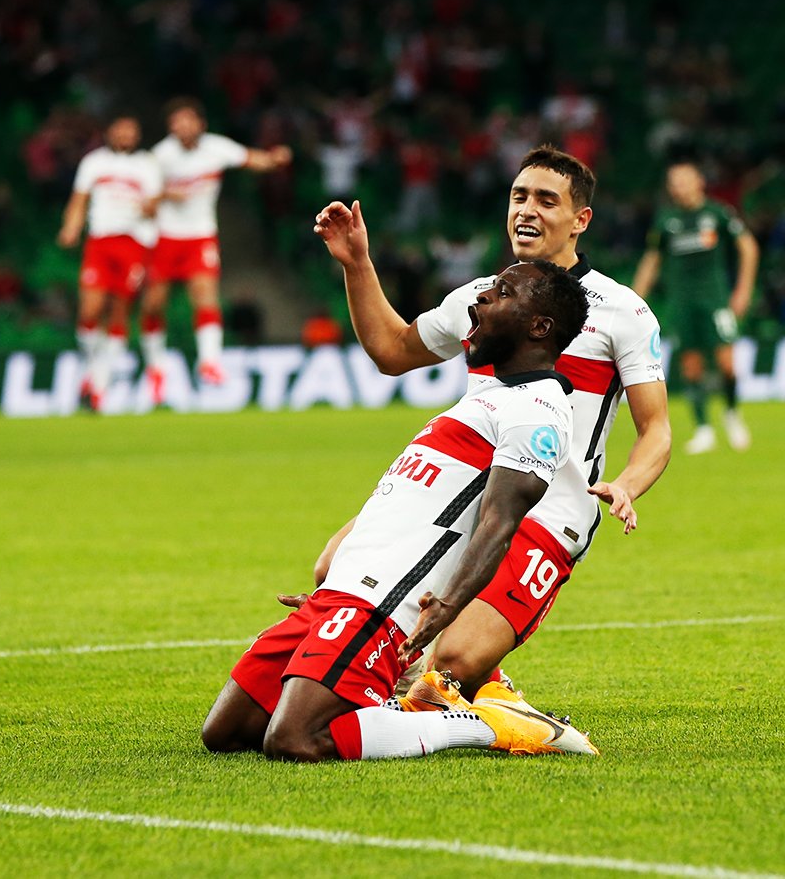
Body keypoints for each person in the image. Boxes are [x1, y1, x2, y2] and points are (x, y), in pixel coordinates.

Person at [307, 145, 671, 707]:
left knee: (452, 660)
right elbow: (392, 350)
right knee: (331, 566)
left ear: (580, 220)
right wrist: (357, 264)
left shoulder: (623, 311)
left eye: (546, 200)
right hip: (463, 492)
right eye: (519, 196)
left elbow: (656, 429)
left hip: (549, 511)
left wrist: (626, 484)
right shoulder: (483, 298)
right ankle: (458, 688)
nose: (527, 209)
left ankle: (466, 683)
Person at [202, 260, 597, 762]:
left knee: (294, 739)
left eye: (501, 293)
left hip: (381, 606)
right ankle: (387, 710)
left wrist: (446, 607)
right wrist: (337, 582)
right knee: (226, 733)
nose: (481, 298)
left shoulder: (538, 412)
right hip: (340, 596)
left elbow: (499, 524)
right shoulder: (489, 399)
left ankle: (483, 724)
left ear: (539, 327)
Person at [141, 97, 291, 396]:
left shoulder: (216, 148)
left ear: (200, 124)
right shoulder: (160, 156)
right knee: (154, 304)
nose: (182, 126)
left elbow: (252, 159)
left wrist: (275, 159)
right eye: (176, 122)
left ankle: (209, 362)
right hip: (165, 236)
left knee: (205, 296)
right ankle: (155, 367)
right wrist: (167, 195)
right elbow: (145, 203)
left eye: (187, 120)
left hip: (200, 235)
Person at [633, 160, 760, 453]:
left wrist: (743, 290)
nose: (679, 187)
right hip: (682, 301)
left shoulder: (717, 213)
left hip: (715, 299)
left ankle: (732, 413)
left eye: (684, 180)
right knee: (691, 366)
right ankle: (703, 428)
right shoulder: (667, 221)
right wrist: (635, 298)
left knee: (727, 363)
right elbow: (652, 260)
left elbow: (749, 247)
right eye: (674, 182)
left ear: (699, 182)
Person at [56, 114, 161, 412]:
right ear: (110, 133)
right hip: (100, 242)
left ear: (137, 135)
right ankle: (91, 368)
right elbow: (79, 199)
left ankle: (99, 387)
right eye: (121, 130)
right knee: (89, 310)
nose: (125, 135)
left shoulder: (147, 165)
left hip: (134, 243)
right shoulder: (94, 162)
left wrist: (148, 207)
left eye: (131, 131)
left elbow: (154, 205)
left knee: (119, 311)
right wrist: (71, 227)